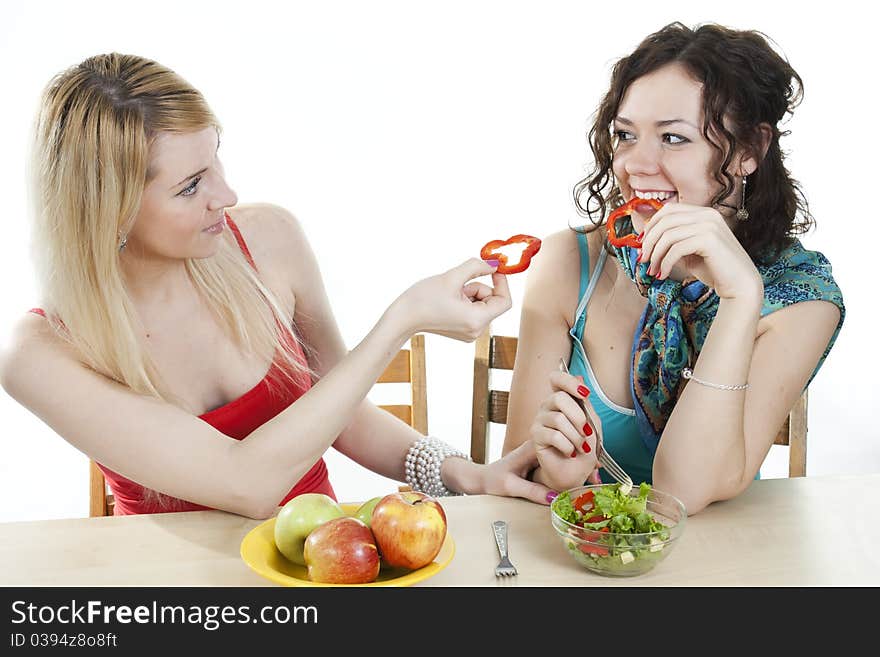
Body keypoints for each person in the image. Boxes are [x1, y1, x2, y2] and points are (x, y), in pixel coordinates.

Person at [0, 53, 554, 519]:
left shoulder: (268, 239)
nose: (228, 195)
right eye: (192, 186)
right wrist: (401, 320)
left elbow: (342, 412)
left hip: (319, 564)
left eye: (216, 160)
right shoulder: (41, 351)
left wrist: (466, 475)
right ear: (109, 212)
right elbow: (247, 484)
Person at [502, 22, 845, 514]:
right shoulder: (569, 264)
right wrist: (565, 476)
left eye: (673, 138)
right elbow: (518, 470)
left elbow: (682, 490)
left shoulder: (801, 300)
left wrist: (739, 298)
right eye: (625, 134)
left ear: (749, 151)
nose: (637, 165)